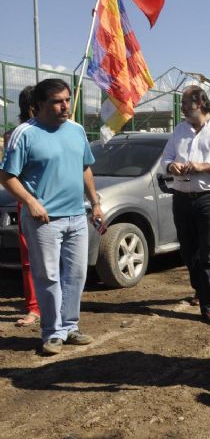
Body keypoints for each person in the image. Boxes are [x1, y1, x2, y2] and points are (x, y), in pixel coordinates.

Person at [0, 78, 103, 355]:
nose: (65, 106)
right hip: (43, 221)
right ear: (38, 105)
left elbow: (85, 168)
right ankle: (52, 332)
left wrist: (94, 203)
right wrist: (31, 202)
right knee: (48, 276)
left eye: (67, 100)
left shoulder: (77, 130)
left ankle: (70, 327)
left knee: (77, 275)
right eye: (57, 101)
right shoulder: (25, 133)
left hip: (77, 217)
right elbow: (6, 176)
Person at [162, 85, 210, 326]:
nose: (182, 109)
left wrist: (201, 166)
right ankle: (200, 287)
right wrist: (171, 166)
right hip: (182, 197)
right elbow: (165, 159)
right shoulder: (179, 130)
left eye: (186, 104)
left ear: (201, 104)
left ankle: (209, 306)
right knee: (188, 250)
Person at [6, 87, 41, 327]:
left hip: (59, 202)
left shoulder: (61, 130)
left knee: (60, 258)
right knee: (30, 257)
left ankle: (57, 303)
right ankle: (34, 307)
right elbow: (9, 174)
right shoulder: (17, 135)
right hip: (29, 204)